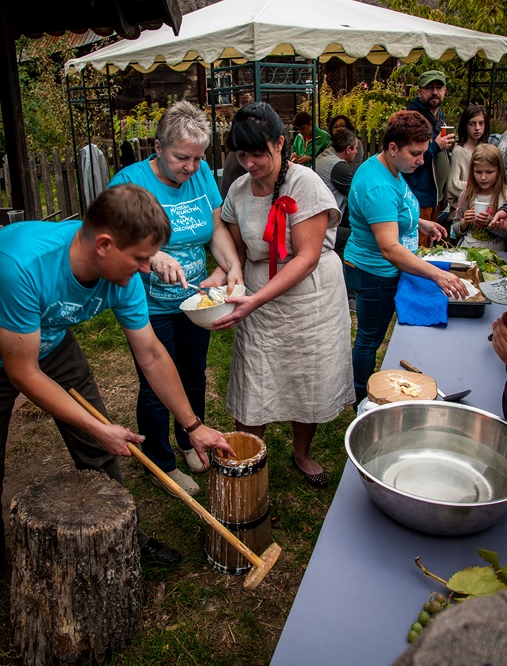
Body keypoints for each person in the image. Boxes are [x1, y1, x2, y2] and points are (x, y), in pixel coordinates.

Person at [0, 184, 235, 568]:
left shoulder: (123, 277)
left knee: (98, 445)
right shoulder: (21, 267)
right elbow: (23, 373)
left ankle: (124, 537)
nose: (146, 269)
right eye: (140, 258)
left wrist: (193, 426)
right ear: (104, 245)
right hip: (9, 347)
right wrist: (96, 425)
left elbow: (152, 354)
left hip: (52, 341)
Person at [214, 102, 355, 488]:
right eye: (242, 154)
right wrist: (223, 274)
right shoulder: (239, 190)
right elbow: (239, 251)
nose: (249, 163)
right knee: (253, 379)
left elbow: (307, 258)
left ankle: (301, 452)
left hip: (310, 300)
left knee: (306, 377)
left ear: (280, 143)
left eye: (258, 153)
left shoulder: (305, 183)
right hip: (259, 300)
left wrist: (256, 299)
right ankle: (248, 457)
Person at [109, 101, 242, 498]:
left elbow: (216, 228)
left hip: (194, 300)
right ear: (158, 147)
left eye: (198, 158)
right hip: (148, 303)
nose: (191, 167)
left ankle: (189, 439)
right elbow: (113, 238)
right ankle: (160, 464)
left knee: (193, 373)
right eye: (182, 157)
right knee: (154, 385)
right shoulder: (130, 182)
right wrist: (153, 255)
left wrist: (232, 265)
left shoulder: (201, 178)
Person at [344, 111, 468, 404]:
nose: (422, 160)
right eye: (415, 153)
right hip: (374, 273)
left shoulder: (388, 167)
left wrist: (420, 223)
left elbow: (392, 213)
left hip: (378, 269)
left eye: (424, 152)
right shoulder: (378, 185)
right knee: (369, 339)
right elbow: (389, 247)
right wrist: (437, 274)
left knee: (372, 335)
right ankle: (361, 395)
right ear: (393, 147)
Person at [404, 70, 455, 247]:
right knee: (417, 247)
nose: (435, 92)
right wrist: (436, 146)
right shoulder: (413, 119)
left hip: (435, 198)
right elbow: (408, 158)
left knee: (429, 247)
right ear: (419, 92)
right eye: (429, 88)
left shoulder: (439, 117)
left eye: (439, 88)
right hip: (419, 196)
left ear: (445, 90)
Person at [452, 143, 507, 251]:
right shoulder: (467, 194)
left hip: (496, 256)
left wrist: (490, 222)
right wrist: (464, 222)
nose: (483, 177)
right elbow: (455, 228)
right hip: (466, 252)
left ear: (499, 170)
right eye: (478, 172)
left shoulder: (506, 195)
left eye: (489, 172)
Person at [315, 127, 357, 255]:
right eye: (355, 148)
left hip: (320, 218)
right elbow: (356, 194)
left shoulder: (322, 157)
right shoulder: (338, 166)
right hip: (326, 226)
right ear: (348, 150)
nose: (357, 151)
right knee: (359, 237)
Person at [446, 104, 489, 217]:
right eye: (472, 124)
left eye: (481, 123)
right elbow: (453, 185)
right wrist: (478, 185)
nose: (477, 128)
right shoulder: (459, 151)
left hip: (482, 210)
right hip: (461, 212)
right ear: (465, 125)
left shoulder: (486, 149)